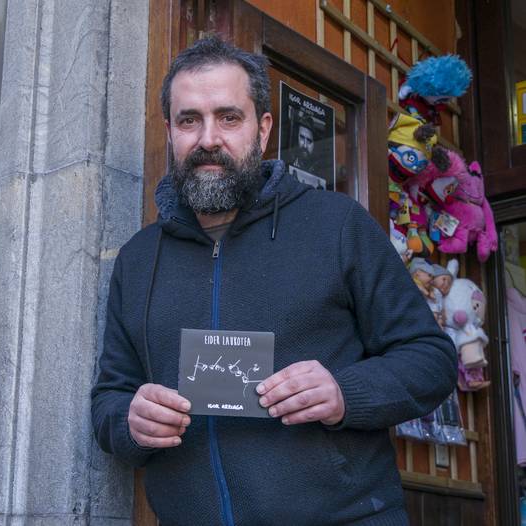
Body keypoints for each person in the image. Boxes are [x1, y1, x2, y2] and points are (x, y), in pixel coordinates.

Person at [91, 36, 456, 526]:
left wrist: (345, 393)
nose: (208, 139)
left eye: (228, 117)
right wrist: (130, 423)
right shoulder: (138, 259)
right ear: (170, 132)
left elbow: (431, 359)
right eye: (189, 120)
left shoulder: (337, 226)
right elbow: (110, 398)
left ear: (262, 129)